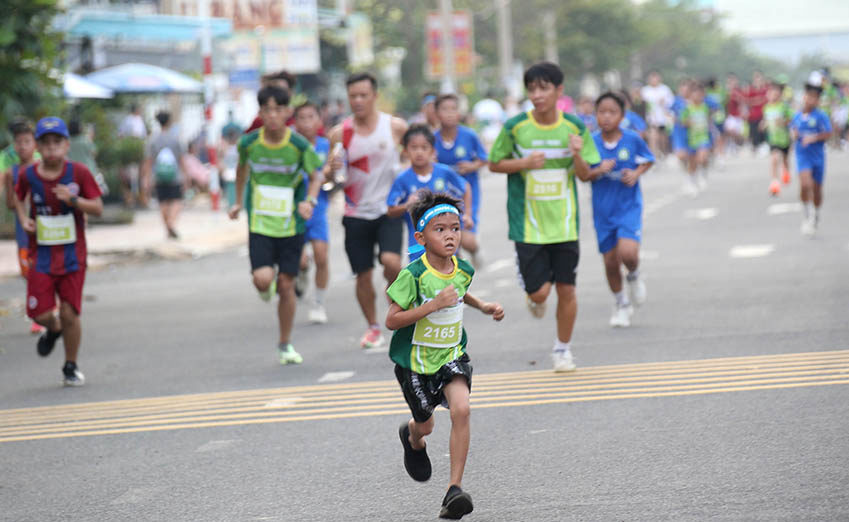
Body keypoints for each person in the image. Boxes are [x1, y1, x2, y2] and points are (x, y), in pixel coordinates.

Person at [386, 190, 503, 520]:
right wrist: (432, 306)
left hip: (452, 354)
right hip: (415, 364)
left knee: (462, 409)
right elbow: (392, 320)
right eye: (441, 230)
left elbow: (461, 292)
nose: (450, 235)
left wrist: (484, 306)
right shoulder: (413, 275)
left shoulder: (462, 268)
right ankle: (412, 437)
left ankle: (454, 489)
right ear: (421, 237)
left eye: (455, 227)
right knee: (426, 426)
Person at [489, 62, 600, 373]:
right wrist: (523, 162)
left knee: (567, 288)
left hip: (564, 224)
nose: (537, 95)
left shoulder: (575, 127)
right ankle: (532, 290)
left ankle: (562, 349)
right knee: (539, 293)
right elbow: (494, 163)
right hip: (528, 224)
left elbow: (586, 174)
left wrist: (577, 154)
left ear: (558, 91)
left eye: (543, 88)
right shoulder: (515, 127)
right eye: (532, 89)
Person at [228, 86, 323, 364]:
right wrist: (236, 201)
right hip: (261, 223)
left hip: (291, 225)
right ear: (260, 112)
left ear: (287, 113)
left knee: (286, 285)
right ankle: (263, 286)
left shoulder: (299, 145)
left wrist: (310, 201)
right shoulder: (248, 144)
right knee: (263, 280)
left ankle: (285, 344)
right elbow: (241, 170)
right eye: (267, 110)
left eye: (278, 109)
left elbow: (316, 176)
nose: (272, 115)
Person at [13, 117, 103, 386]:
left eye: (57, 142)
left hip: (73, 255)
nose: (52, 148)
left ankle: (70, 365)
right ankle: (52, 331)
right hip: (40, 255)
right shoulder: (28, 175)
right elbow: (18, 197)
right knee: (38, 314)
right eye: (46, 143)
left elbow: (97, 207)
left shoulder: (78, 173)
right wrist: (23, 218)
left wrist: (74, 201)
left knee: (69, 313)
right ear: (38, 147)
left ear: (66, 145)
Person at [325, 72, 408, 349]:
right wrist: (331, 171)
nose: (358, 101)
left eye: (363, 95)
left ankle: (395, 302)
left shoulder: (395, 127)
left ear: (374, 96)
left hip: (389, 210)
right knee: (362, 274)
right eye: (353, 96)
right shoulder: (340, 133)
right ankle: (373, 326)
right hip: (355, 212)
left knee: (392, 262)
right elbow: (329, 177)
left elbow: (412, 159)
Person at [588, 92, 655, 328]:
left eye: (612, 112)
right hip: (603, 211)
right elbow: (583, 173)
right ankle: (621, 302)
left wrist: (636, 173)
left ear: (622, 115)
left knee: (628, 254)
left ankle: (634, 275)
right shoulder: (591, 142)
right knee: (610, 263)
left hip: (628, 207)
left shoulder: (632, 139)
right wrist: (599, 170)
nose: (606, 117)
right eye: (601, 112)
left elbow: (648, 159)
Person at [387, 125, 472, 263]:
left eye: (424, 147)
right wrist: (407, 205)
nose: (419, 152)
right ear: (406, 151)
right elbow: (390, 210)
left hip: (446, 243)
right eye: (414, 148)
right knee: (422, 281)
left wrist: (467, 214)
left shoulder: (444, 172)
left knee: (450, 278)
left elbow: (466, 187)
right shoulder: (402, 180)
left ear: (433, 151)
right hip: (417, 246)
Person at [433, 94, 487, 265]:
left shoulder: (469, 136)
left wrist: (471, 166)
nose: (449, 113)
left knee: (466, 240)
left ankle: (475, 250)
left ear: (459, 113)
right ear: (436, 113)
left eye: (453, 109)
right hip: (442, 198)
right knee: (450, 242)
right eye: (444, 109)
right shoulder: (432, 140)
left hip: (467, 196)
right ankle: (458, 276)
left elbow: (484, 159)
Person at [2, 120, 44, 335]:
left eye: (27, 141)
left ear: (35, 144)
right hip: (22, 231)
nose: (22, 146)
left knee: (42, 271)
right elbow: (10, 203)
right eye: (18, 142)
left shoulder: (41, 168)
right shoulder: (11, 172)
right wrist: (18, 194)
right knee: (28, 273)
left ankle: (41, 312)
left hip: (43, 230)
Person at [292, 102, 332, 323]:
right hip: (293, 210)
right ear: (295, 122)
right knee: (300, 260)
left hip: (318, 209)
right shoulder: (291, 147)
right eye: (302, 118)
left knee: (321, 256)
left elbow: (337, 177)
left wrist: (330, 172)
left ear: (319, 120)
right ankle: (301, 272)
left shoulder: (327, 146)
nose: (306, 122)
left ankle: (318, 302)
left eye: (311, 117)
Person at [791, 83, 832, 237]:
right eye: (809, 97)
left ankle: (815, 213)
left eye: (815, 98)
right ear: (804, 97)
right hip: (803, 156)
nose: (811, 100)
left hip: (818, 157)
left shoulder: (821, 116)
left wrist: (814, 137)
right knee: (805, 184)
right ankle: (806, 212)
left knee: (816, 189)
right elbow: (793, 131)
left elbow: (828, 133)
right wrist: (794, 136)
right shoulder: (797, 116)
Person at [143, 111, 186, 239]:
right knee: (176, 201)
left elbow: (149, 161)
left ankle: (168, 227)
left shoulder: (152, 139)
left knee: (163, 202)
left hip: (158, 175)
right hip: (175, 175)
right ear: (169, 121)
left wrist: (147, 177)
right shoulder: (176, 137)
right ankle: (171, 223)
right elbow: (181, 159)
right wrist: (186, 175)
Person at [761, 82, 794, 196]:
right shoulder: (766, 107)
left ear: (780, 95)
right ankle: (774, 183)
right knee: (774, 159)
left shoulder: (784, 106)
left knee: (785, 159)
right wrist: (763, 124)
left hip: (784, 138)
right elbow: (766, 120)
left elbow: (791, 119)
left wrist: (783, 122)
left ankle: (786, 172)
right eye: (771, 93)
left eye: (776, 93)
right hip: (773, 138)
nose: (773, 95)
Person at [681, 82, 712, 195]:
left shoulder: (705, 107)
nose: (698, 96)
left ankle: (704, 173)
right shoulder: (687, 108)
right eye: (695, 94)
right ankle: (691, 181)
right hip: (691, 139)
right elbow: (683, 122)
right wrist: (690, 122)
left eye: (700, 94)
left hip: (703, 137)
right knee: (692, 163)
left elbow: (709, 120)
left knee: (702, 158)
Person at [641, 71, 674, 157]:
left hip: (663, 119)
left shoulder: (665, 89)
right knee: (653, 136)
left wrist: (664, 102)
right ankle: (653, 156)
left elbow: (671, 102)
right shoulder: (645, 91)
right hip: (651, 119)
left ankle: (664, 153)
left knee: (663, 138)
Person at [219, 122, 242, 208]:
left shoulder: (239, 146)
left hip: (236, 169)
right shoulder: (224, 146)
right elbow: (220, 160)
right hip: (227, 170)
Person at [746, 71, 769, 154]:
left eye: (759, 78)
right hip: (753, 115)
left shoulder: (766, 89)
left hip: (763, 114)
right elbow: (748, 101)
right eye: (756, 78)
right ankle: (755, 147)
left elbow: (767, 99)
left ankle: (764, 146)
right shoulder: (751, 90)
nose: (758, 80)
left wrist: (757, 100)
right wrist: (758, 100)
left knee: (763, 131)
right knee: (754, 132)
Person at [724, 73, 746, 149]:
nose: (731, 83)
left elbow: (742, 102)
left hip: (738, 116)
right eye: (729, 81)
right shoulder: (726, 92)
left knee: (737, 133)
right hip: (730, 116)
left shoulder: (738, 91)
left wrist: (743, 112)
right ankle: (733, 144)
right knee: (729, 130)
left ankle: (738, 144)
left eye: (733, 80)